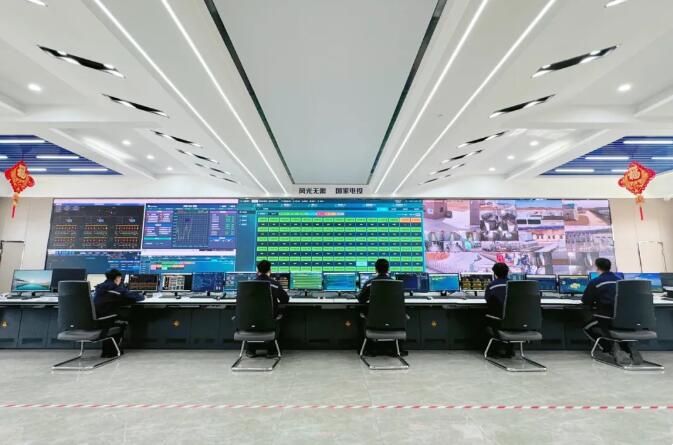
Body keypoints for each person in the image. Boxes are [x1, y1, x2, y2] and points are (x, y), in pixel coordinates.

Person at [581, 258, 636, 365]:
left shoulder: (595, 282)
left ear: (597, 267)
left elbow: (586, 301)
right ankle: (628, 348)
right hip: (627, 320)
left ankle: (613, 349)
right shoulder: (622, 281)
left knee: (587, 328)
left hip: (607, 318)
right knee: (618, 327)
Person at [357, 259, 406, 357]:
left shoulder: (370, 283)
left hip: (374, 321)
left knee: (359, 313)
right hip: (393, 322)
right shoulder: (396, 284)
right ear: (388, 269)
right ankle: (395, 348)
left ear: (376, 269)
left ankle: (369, 348)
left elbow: (361, 300)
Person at [93, 269, 144, 358]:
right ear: (117, 278)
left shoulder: (100, 287)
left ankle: (107, 351)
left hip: (96, 319)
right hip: (107, 319)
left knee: (116, 317)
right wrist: (142, 295)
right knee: (123, 320)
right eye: (120, 278)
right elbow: (136, 297)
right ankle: (112, 351)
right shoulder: (116, 288)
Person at [246, 260, 289, 357]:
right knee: (279, 318)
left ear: (257, 271)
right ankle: (271, 351)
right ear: (270, 270)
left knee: (254, 319)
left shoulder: (248, 285)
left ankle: (251, 350)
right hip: (269, 320)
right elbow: (285, 300)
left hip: (251, 321)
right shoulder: (275, 284)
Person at [484, 262, 513, 358]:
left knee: (484, 318)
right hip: (516, 320)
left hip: (499, 320)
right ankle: (509, 350)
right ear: (507, 272)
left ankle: (494, 350)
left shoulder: (491, 285)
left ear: (494, 273)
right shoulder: (515, 285)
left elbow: (488, 301)